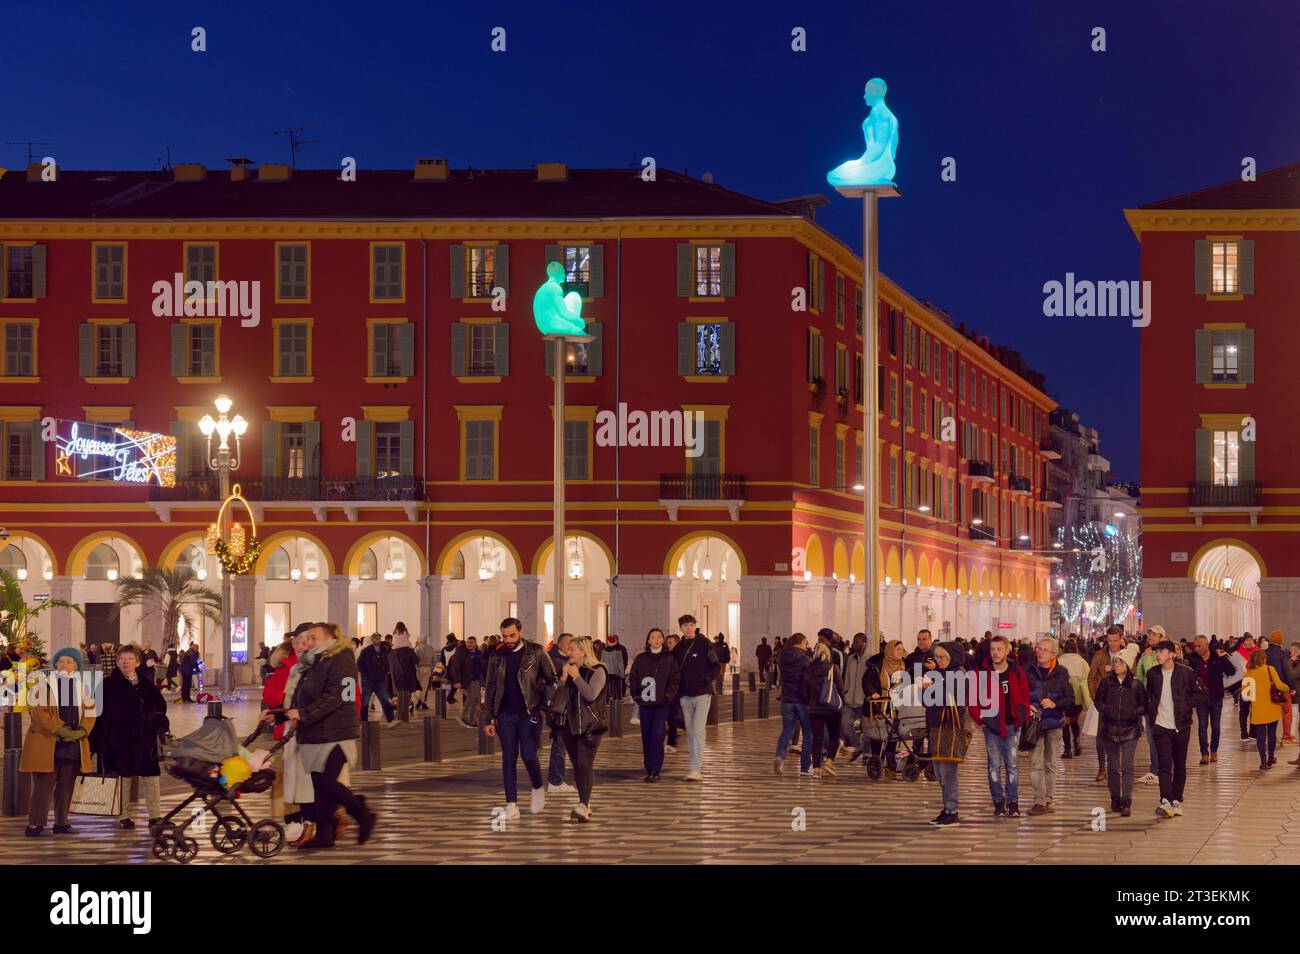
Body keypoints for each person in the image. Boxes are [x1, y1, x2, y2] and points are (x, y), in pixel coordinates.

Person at [287, 623, 377, 849]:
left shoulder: (341, 660)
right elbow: (301, 697)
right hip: (316, 732)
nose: (308, 642)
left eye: (313, 638)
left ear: (329, 639)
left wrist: (304, 714)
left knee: (326, 782)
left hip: (338, 732)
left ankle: (362, 812)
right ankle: (325, 835)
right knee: (320, 784)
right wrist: (279, 715)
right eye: (307, 639)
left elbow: (337, 696)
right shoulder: (312, 663)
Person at [483, 618, 557, 819]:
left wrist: (543, 707)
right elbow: (490, 688)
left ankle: (537, 787)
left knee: (529, 755)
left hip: (530, 713)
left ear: (520, 632)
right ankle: (511, 805)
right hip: (505, 715)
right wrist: (488, 718)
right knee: (508, 759)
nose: (508, 640)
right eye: (504, 636)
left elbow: (552, 680)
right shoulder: (496, 656)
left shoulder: (536, 652)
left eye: (512, 635)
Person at [89, 644, 168, 831]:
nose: (126, 662)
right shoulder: (107, 685)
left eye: (130, 658)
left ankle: (155, 816)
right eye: (122, 658)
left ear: (138, 662)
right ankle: (123, 815)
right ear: (117, 661)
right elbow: (96, 713)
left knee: (151, 777)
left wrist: (158, 723)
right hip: (118, 740)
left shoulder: (146, 684)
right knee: (123, 778)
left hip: (145, 739)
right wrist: (99, 739)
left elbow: (160, 706)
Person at [22, 647, 97, 836]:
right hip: (49, 742)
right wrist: (60, 729)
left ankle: (61, 823)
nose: (65, 664)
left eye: (69, 661)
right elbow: (39, 713)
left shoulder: (82, 687)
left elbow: (90, 712)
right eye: (61, 661)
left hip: (72, 745)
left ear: (76, 666)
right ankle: (35, 826)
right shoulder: (44, 685)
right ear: (55, 664)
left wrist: (82, 731)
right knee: (43, 786)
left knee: (66, 786)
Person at [970, 634, 1029, 817]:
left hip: (1012, 725)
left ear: (1007, 651)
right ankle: (998, 800)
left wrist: (1022, 716)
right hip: (992, 727)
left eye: (999, 649)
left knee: (1012, 765)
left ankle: (1013, 802)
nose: (995, 653)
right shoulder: (983, 673)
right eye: (992, 649)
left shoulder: (1016, 672)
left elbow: (1025, 696)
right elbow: (973, 700)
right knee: (993, 765)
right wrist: (981, 718)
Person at [1146, 638, 1204, 819]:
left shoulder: (1187, 673)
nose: (1158, 655)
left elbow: (1202, 693)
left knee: (1179, 765)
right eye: (1156, 652)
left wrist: (1187, 706)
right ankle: (1165, 799)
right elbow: (1150, 696)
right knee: (1164, 765)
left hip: (1181, 725)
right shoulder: (1152, 674)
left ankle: (1177, 800)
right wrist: (1151, 714)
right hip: (1161, 725)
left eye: (1161, 652)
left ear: (1172, 654)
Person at [553, 635, 608, 822]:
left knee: (585, 764)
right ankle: (585, 801)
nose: (568, 653)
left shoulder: (598, 671)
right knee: (577, 766)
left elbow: (591, 695)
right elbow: (559, 699)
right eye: (568, 649)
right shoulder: (570, 670)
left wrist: (576, 677)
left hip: (590, 726)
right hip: (570, 725)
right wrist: (563, 679)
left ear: (583, 651)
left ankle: (583, 805)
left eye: (572, 649)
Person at [1094, 644, 1145, 817]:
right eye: (1116, 662)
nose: (1116, 665)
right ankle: (1115, 798)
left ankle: (1127, 801)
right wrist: (1105, 709)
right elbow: (1098, 700)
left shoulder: (1136, 685)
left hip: (1130, 729)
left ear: (1128, 665)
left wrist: (1134, 712)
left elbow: (1144, 704)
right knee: (1113, 767)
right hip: (1109, 728)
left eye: (1121, 663)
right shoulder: (1107, 683)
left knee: (1127, 766)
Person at [1025, 637, 1073, 815]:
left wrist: (1055, 703)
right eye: (1039, 649)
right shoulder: (1029, 671)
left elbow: (1070, 699)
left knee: (1051, 763)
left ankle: (1049, 799)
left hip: (1054, 722)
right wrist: (1026, 706)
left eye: (1045, 650)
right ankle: (1039, 801)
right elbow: (1021, 693)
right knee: (1035, 763)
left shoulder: (1061, 672)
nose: (1041, 652)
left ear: (1054, 654)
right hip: (1034, 722)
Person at [924, 641, 968, 826]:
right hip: (936, 728)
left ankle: (952, 810)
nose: (939, 661)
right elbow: (928, 701)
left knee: (947, 772)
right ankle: (947, 808)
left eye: (942, 657)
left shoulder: (958, 674)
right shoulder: (942, 674)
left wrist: (931, 688)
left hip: (949, 729)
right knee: (939, 772)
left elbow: (952, 700)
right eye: (937, 657)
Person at [628, 628, 680, 782]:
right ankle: (648, 768)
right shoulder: (641, 659)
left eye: (659, 637)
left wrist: (667, 696)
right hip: (645, 704)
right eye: (652, 637)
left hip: (662, 704)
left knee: (658, 734)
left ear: (662, 641)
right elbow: (633, 679)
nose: (656, 640)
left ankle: (655, 769)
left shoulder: (669, 659)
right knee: (647, 735)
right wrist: (637, 697)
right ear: (648, 641)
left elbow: (675, 680)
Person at [671, 614, 718, 782]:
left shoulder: (704, 643)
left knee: (698, 730)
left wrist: (706, 679)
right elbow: (674, 671)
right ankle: (695, 765)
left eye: (691, 625)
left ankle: (696, 768)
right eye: (685, 626)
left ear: (695, 626)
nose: (689, 628)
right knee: (690, 731)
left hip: (703, 694)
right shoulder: (678, 649)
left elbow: (715, 665)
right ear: (681, 628)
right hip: (685, 696)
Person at [1187, 636, 1234, 764]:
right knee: (1202, 726)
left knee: (1216, 726)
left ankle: (1214, 751)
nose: (1197, 649)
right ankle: (1204, 753)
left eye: (1199, 646)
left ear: (1207, 645)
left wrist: (1222, 657)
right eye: (1195, 646)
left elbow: (1230, 670)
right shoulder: (1193, 659)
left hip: (1216, 696)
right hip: (1201, 698)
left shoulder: (1216, 657)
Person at [864, 639, 907, 778]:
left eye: (902, 649)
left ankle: (891, 765)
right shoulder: (877, 665)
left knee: (893, 735)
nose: (901, 651)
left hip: (896, 706)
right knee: (878, 734)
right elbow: (867, 681)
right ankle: (877, 760)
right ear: (889, 650)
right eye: (897, 649)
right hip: (879, 705)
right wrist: (872, 692)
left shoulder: (905, 666)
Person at [1088, 625, 1125, 781]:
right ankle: (1102, 767)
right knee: (1101, 737)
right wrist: (1095, 699)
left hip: (1122, 701)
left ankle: (1116, 767)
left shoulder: (1127, 654)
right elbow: (1091, 678)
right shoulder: (1099, 655)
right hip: (1103, 702)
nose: (1113, 644)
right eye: (1110, 641)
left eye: (1115, 640)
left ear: (1121, 639)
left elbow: (1133, 675)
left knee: (1120, 735)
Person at [803, 642, 844, 778]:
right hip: (831, 708)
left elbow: (806, 690)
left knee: (817, 739)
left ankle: (816, 769)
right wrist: (841, 704)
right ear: (827, 653)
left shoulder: (808, 669)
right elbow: (840, 688)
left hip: (815, 709)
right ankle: (829, 761)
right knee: (834, 736)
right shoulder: (833, 668)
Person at [773, 633, 812, 776]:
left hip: (787, 699)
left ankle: (780, 756)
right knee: (808, 732)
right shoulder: (805, 659)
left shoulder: (781, 657)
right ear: (802, 642)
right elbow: (809, 679)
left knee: (787, 730)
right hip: (802, 700)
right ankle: (805, 767)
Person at [1244, 649, 1289, 770]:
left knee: (1260, 736)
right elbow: (1279, 685)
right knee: (1272, 733)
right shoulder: (1270, 669)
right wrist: (1289, 687)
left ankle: (1262, 761)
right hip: (1272, 708)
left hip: (1258, 709)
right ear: (1263, 659)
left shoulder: (1248, 674)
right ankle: (1271, 757)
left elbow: (1245, 695)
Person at [1133, 626, 1166, 786]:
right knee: (1152, 737)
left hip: (1162, 700)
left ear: (1162, 636)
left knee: (1161, 736)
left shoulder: (1163, 653)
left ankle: (1160, 769)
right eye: (1149, 634)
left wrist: (1146, 658)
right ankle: (1155, 770)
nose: (1150, 636)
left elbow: (1152, 672)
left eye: (1153, 634)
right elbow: (1139, 677)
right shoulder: (1146, 653)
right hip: (1149, 700)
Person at [545, 633, 575, 794]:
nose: (572, 648)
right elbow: (555, 687)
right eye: (570, 645)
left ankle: (556, 779)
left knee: (561, 743)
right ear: (562, 645)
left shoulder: (558, 659)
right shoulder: (557, 662)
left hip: (561, 708)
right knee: (560, 744)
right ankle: (556, 781)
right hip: (559, 709)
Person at [1056, 638, 1089, 759]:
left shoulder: (1059, 661)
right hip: (1077, 698)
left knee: (1065, 722)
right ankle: (1077, 741)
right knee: (1074, 721)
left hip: (1063, 697)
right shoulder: (1082, 662)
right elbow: (1087, 679)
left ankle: (1067, 749)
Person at [356, 633, 397, 727]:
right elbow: (359, 664)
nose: (378, 640)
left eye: (379, 638)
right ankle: (364, 721)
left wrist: (386, 671)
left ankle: (390, 720)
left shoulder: (383, 650)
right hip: (368, 680)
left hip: (380, 680)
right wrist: (366, 674)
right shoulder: (366, 651)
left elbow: (385, 661)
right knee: (365, 702)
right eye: (376, 638)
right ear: (372, 640)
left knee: (385, 700)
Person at [840, 633, 870, 761]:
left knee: (867, 728)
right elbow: (847, 678)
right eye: (853, 642)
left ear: (863, 643)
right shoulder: (851, 659)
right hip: (849, 701)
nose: (853, 644)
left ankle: (867, 754)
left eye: (856, 642)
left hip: (864, 701)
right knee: (845, 723)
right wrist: (845, 692)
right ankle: (859, 746)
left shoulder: (870, 659)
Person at [1263, 632, 1294, 744]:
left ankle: (1270, 737)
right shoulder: (1283, 654)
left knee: (1271, 713)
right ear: (1280, 639)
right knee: (1287, 712)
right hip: (1281, 687)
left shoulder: (1263, 653)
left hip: (1267, 687)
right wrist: (1291, 686)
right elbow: (1287, 672)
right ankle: (1286, 736)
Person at [448, 635, 485, 728]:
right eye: (468, 642)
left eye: (471, 642)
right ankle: (464, 717)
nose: (469, 644)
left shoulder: (479, 653)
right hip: (466, 680)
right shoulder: (462, 654)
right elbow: (456, 668)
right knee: (471, 698)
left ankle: (473, 720)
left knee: (476, 700)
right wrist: (457, 681)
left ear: (475, 643)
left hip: (477, 680)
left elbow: (484, 666)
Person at [388, 625, 421, 720]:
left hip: (396, 674)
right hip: (408, 673)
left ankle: (401, 707)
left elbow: (388, 664)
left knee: (398, 690)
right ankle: (408, 704)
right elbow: (416, 660)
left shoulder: (392, 652)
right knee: (407, 689)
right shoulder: (408, 649)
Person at [603, 634, 629, 711]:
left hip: (613, 670)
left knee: (614, 685)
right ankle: (617, 699)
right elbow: (625, 659)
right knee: (616, 685)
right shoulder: (621, 648)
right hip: (615, 670)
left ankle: (614, 699)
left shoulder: (609, 648)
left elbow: (624, 659)